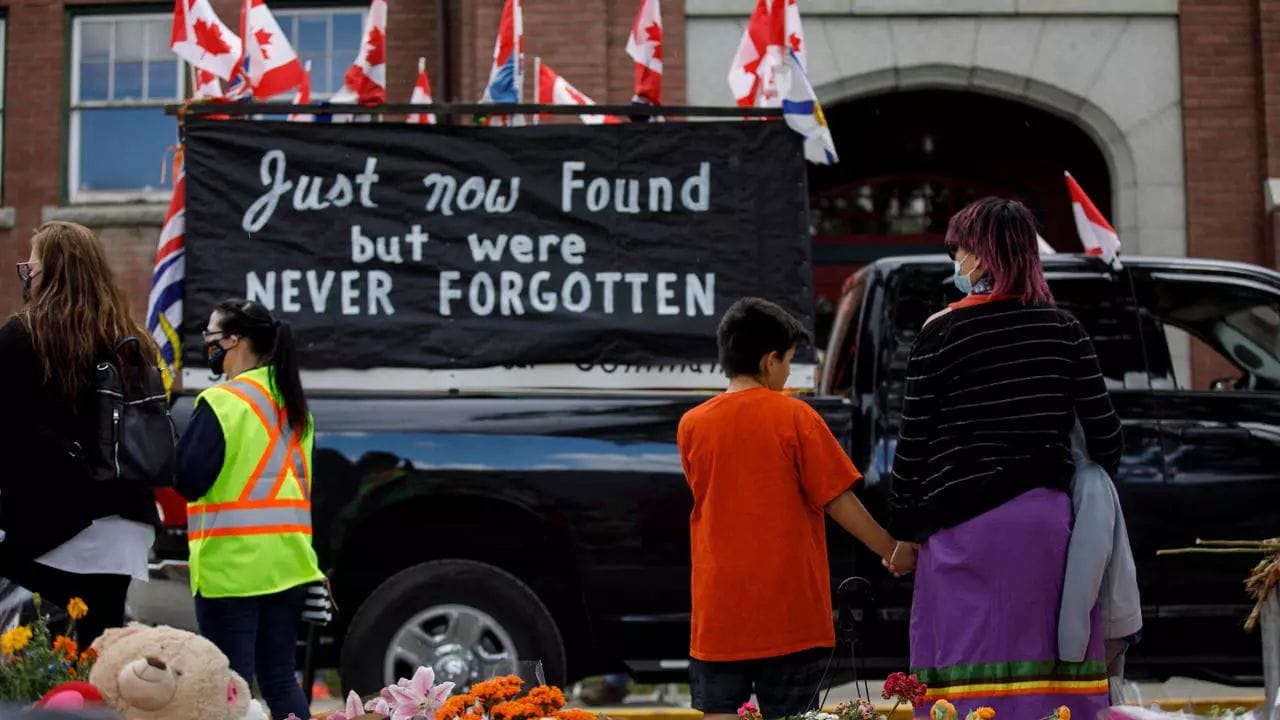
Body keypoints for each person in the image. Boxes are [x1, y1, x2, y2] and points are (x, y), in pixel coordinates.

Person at [890, 197, 1124, 718]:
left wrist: (904, 534)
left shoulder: (939, 333)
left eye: (960, 246)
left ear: (981, 256)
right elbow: (1106, 438)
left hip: (957, 533)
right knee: (1048, 670)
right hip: (1046, 527)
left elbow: (914, 445)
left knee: (965, 671)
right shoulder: (1065, 330)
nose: (954, 255)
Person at [678, 298, 915, 720]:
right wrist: (891, 548)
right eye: (787, 361)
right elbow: (838, 499)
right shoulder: (795, 417)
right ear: (770, 361)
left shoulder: (692, 425)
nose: (787, 373)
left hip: (718, 615)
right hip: (791, 616)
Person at [0, 221, 160, 646]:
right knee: (98, 648)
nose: (27, 277)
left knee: (45, 648)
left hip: (54, 521)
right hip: (126, 522)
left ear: (50, 272)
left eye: (29, 268)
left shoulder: (23, 336)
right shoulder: (132, 340)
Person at [176, 299, 323, 720]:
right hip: (290, 565)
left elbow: (187, 479)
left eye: (211, 336)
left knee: (228, 688)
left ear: (234, 341)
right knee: (280, 680)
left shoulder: (222, 402)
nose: (207, 344)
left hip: (232, 570)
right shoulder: (294, 406)